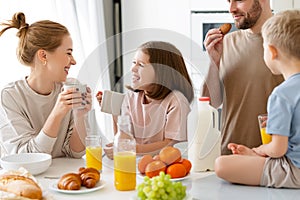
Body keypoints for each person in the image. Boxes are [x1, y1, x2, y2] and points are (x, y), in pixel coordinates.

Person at [214, 9, 300, 188]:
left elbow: (278, 149)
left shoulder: (281, 94)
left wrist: (258, 151)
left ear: (272, 52)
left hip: (294, 170)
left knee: (221, 165)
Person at [0, 12, 92, 158]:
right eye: (68, 53)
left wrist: (79, 116)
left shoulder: (71, 86)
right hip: (26, 178)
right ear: (43, 56)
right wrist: (57, 112)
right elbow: (28, 157)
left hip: (60, 176)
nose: (73, 61)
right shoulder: (10, 96)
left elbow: (76, 153)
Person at [202, 0, 284, 155]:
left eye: (239, 0)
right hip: (230, 155)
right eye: (229, 1)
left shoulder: (289, 41)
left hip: (276, 161)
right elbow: (211, 103)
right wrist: (214, 62)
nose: (231, 9)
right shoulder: (225, 43)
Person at [96, 41, 194, 158]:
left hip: (165, 167)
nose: (133, 69)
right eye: (134, 63)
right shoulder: (131, 97)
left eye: (141, 65)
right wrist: (114, 111)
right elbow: (124, 138)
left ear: (161, 72)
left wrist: (133, 149)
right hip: (137, 165)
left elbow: (171, 145)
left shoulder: (176, 101)